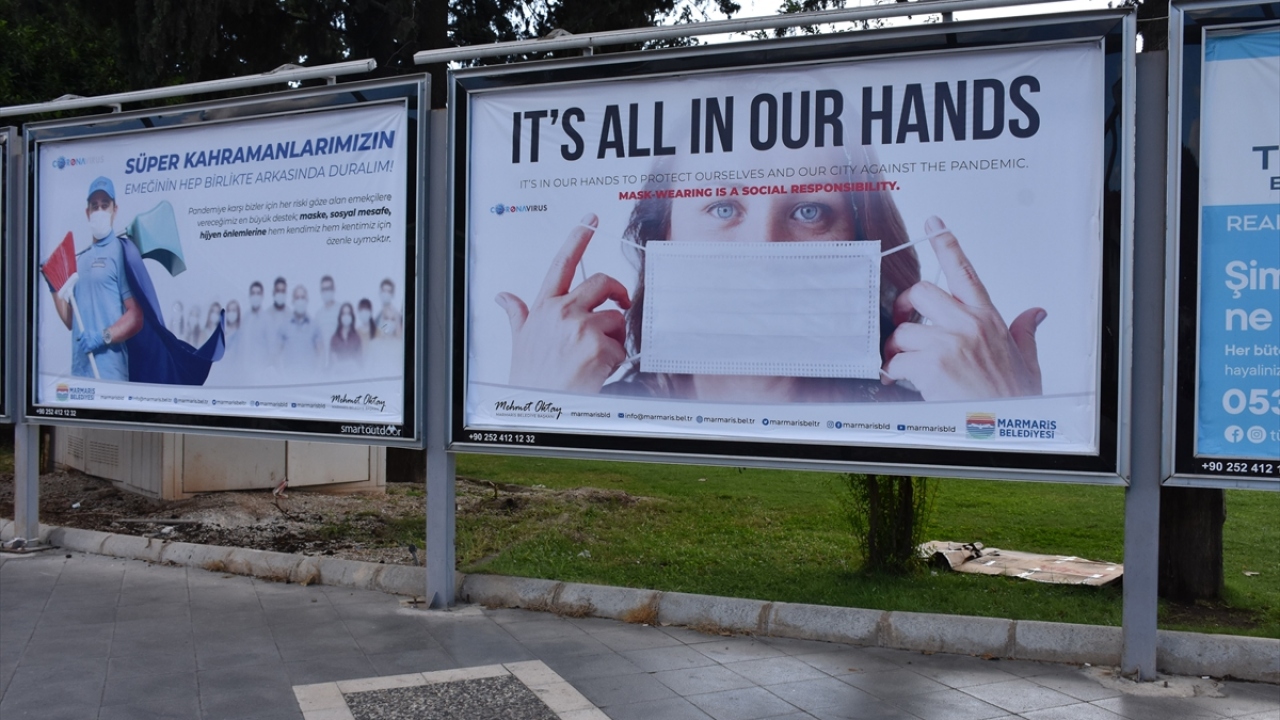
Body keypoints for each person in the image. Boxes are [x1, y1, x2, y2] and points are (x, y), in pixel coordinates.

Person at [496, 143, 1044, 403]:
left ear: (862, 241)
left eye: (809, 211)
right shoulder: (593, 405)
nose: (763, 250)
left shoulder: (930, 410)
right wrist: (535, 403)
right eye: (722, 207)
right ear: (662, 238)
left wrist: (1001, 418)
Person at [49, 177, 142, 380]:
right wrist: (53, 287)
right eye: (94, 206)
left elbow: (136, 316)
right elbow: (71, 321)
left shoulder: (122, 252)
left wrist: (102, 337)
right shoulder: (81, 259)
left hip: (109, 374)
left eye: (105, 205)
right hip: (80, 373)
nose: (99, 210)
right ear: (87, 212)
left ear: (115, 209)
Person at [277, 284, 324, 375]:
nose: (300, 300)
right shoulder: (284, 325)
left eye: (302, 297)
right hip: (289, 377)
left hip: (309, 377)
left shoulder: (315, 326)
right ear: (293, 301)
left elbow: (321, 353)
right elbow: (277, 353)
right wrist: (281, 375)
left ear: (307, 300)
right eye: (297, 297)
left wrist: (316, 375)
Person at [329, 302, 362, 370]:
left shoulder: (356, 338)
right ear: (340, 317)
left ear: (352, 316)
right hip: (338, 373)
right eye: (344, 314)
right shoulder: (334, 338)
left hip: (354, 373)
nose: (346, 316)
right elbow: (332, 360)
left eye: (348, 314)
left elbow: (360, 360)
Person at [314, 275, 340, 358]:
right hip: (324, 359)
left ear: (334, 289)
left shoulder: (341, 310)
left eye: (328, 288)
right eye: (324, 289)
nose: (326, 292)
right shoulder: (318, 315)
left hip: (339, 357)